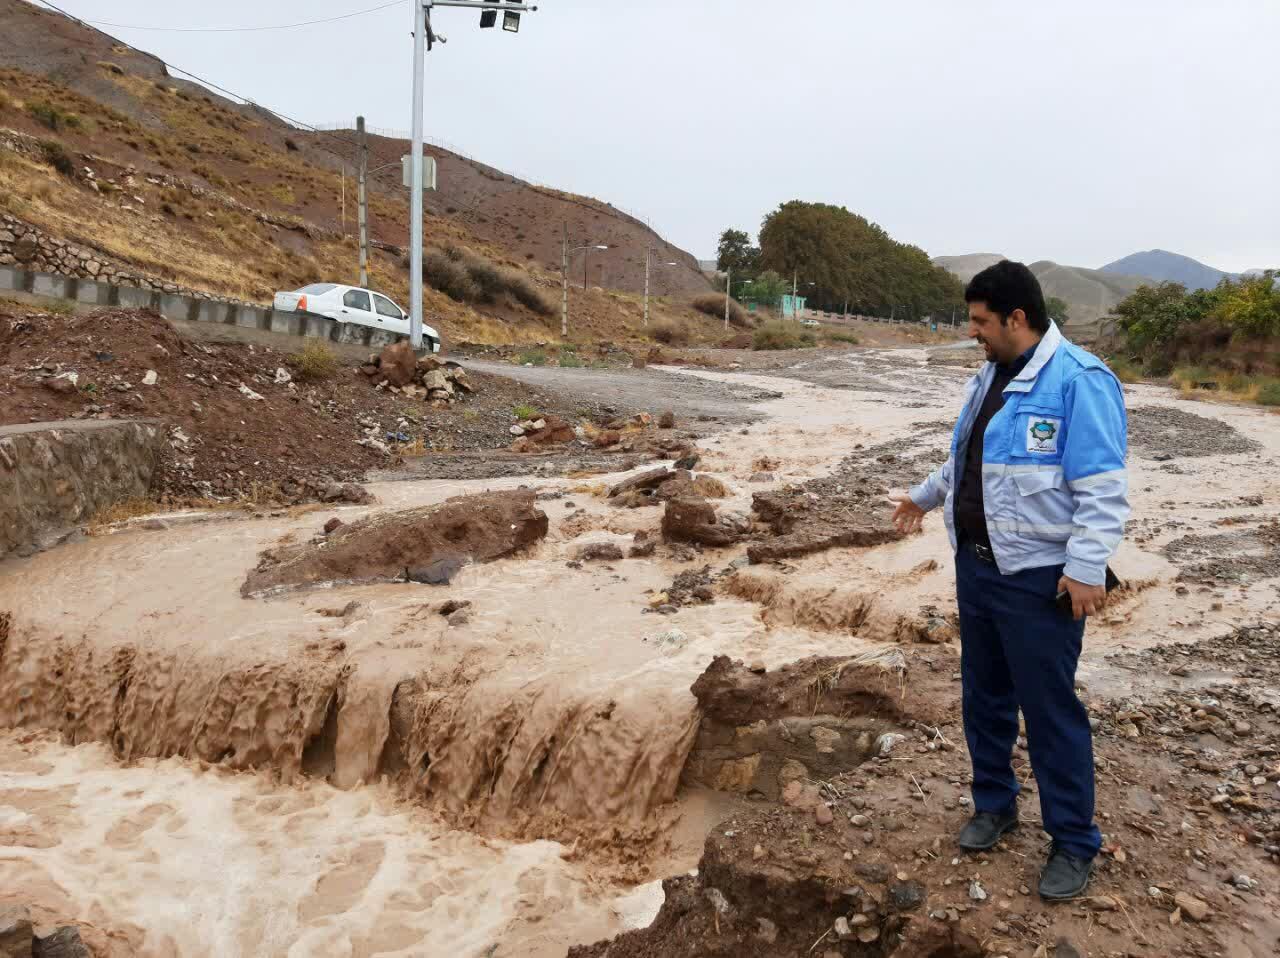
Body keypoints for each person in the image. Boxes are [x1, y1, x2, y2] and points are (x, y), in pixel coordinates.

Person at [889, 260, 1129, 901]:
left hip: (1038, 580)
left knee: (1051, 713)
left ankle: (1075, 842)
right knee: (984, 698)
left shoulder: (1080, 382)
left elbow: (1103, 492)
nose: (973, 332)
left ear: (1016, 319)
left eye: (979, 321)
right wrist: (920, 498)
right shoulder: (989, 376)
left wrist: (1083, 571)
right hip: (978, 567)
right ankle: (995, 805)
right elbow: (964, 459)